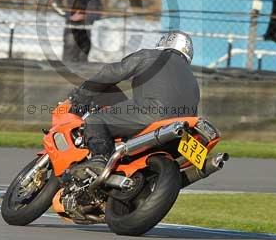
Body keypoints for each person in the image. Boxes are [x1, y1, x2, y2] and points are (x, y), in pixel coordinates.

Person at [69, 31, 199, 170]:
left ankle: (99, 160)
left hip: (151, 113)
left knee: (95, 120)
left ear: (164, 42)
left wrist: (82, 94)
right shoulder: (192, 78)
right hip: (183, 126)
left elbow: (112, 72)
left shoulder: (150, 55)